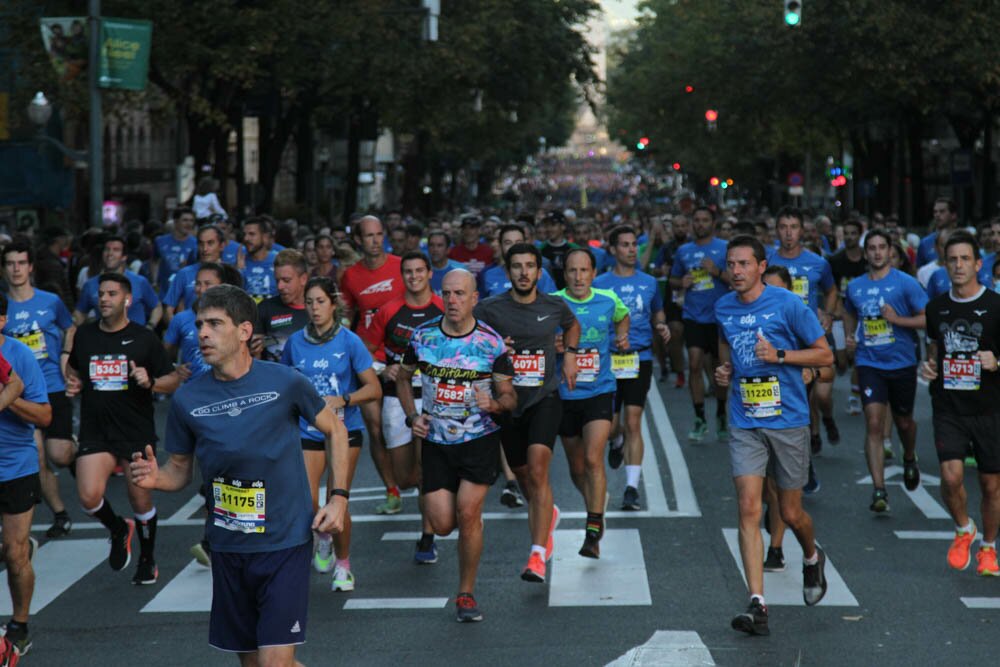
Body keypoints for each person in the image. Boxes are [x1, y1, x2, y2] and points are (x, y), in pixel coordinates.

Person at [129, 284, 350, 664]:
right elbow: (179, 471)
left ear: (245, 331)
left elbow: (336, 430)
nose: (202, 333)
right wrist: (155, 478)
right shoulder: (188, 399)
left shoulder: (285, 382)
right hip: (229, 547)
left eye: (215, 323)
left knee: (273, 661)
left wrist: (338, 498)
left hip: (285, 541)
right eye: (199, 324)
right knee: (252, 663)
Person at [715, 235, 831, 636]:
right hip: (745, 418)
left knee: (789, 513)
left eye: (744, 264)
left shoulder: (788, 304)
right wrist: (725, 370)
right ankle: (757, 603)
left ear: (762, 267)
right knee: (748, 508)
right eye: (731, 264)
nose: (736, 271)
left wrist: (780, 356)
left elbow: (825, 354)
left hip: (788, 419)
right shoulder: (723, 307)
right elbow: (727, 350)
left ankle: (813, 557)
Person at [396, 269, 516, 622]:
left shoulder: (491, 343)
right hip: (435, 441)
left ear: (474, 298)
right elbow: (402, 378)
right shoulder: (422, 337)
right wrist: (410, 416)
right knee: (444, 523)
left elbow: (509, 395)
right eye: (447, 294)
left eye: (460, 294)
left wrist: (495, 404)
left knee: (467, 513)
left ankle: (465, 593)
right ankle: (458, 545)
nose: (452, 301)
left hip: (478, 438)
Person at [65, 273, 185, 584]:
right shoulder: (86, 335)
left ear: (127, 300)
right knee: (88, 497)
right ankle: (118, 528)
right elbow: (74, 367)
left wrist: (151, 381)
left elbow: (172, 380)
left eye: (111, 294)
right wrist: (73, 381)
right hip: (96, 430)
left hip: (135, 431)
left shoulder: (144, 339)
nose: (104, 299)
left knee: (141, 501)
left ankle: (147, 558)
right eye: (100, 293)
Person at [475, 243, 579, 581]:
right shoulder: (490, 309)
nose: (523, 272)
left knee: (537, 471)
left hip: (543, 398)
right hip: (507, 404)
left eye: (530, 266)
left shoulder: (553, 305)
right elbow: (470, 340)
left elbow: (571, 324)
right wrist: (494, 347)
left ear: (539, 271)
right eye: (517, 266)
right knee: (523, 476)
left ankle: (537, 555)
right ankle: (549, 511)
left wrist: (571, 354)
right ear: (507, 272)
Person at [281, 276, 381, 591]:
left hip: (343, 429)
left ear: (333, 304)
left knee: (337, 499)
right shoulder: (295, 342)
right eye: (309, 302)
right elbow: (285, 383)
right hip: (308, 429)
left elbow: (374, 388)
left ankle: (344, 565)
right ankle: (322, 535)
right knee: (308, 499)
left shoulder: (349, 341)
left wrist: (345, 399)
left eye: (320, 301)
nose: (314, 308)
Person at [921, 230, 1000, 576]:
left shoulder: (997, 306)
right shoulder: (936, 308)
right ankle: (963, 528)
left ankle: (988, 546)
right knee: (951, 478)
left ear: (978, 264)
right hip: (949, 405)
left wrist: (997, 362)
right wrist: (929, 367)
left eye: (965, 259)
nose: (958, 265)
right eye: (952, 259)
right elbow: (934, 351)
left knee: (991, 485)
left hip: (990, 407)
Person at [367, 252, 445, 563]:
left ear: (429, 274)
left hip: (433, 395)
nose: (413, 277)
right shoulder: (389, 310)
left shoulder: (443, 307)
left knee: (428, 467)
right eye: (408, 272)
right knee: (405, 477)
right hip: (395, 397)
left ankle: (427, 537)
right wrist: (380, 368)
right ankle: (423, 494)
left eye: (419, 271)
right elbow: (366, 348)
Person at [843, 230, 927, 513]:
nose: (877, 253)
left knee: (904, 422)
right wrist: (849, 337)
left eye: (882, 247)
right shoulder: (855, 286)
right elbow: (849, 312)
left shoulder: (906, 283)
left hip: (902, 362)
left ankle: (910, 456)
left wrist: (897, 319)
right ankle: (879, 490)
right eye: (872, 248)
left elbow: (928, 319)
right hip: (869, 363)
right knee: (875, 423)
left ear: (891, 251)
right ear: (865, 253)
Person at [554, 248, 629, 558]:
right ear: (565, 275)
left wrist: (621, 338)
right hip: (564, 394)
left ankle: (593, 528)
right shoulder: (554, 301)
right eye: (572, 271)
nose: (578, 277)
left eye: (584, 270)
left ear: (593, 273)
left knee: (594, 458)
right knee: (576, 465)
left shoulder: (608, 298)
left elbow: (622, 317)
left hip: (599, 389)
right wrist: (553, 344)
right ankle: (596, 501)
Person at [759, 265, 835, 571]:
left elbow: (829, 367)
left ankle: (776, 548)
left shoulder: (800, 319)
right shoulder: (753, 319)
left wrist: (812, 370)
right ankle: (772, 514)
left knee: (779, 490)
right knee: (766, 489)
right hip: (757, 414)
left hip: (790, 417)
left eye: (777, 289)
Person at [2, 240, 76, 538]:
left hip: (52, 386)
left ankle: (72, 446)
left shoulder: (49, 301)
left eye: (22, 263)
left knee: (59, 455)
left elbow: (70, 326)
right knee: (38, 454)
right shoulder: (2, 306)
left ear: (31, 267)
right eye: (10, 263)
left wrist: (66, 358)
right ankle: (60, 513)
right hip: (18, 392)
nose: (16, 269)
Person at [596, 226, 671, 510]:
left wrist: (661, 325)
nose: (630, 250)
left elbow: (657, 311)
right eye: (624, 245)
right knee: (613, 426)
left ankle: (631, 488)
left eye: (633, 245)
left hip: (640, 358)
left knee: (633, 422)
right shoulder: (600, 284)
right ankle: (615, 444)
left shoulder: (649, 282)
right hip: (611, 360)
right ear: (613, 250)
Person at [339, 215, 405, 515]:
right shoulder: (350, 276)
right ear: (358, 240)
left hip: (403, 357)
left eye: (379, 234)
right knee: (376, 428)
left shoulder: (400, 267)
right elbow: (345, 318)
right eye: (369, 236)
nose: (375, 240)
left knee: (407, 424)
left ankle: (413, 476)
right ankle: (391, 489)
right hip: (369, 359)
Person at [766, 207, 839, 462]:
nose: (788, 233)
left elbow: (831, 291)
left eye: (793, 227)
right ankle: (807, 446)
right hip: (781, 339)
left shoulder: (818, 263)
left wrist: (828, 315)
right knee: (798, 396)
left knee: (820, 394)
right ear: (777, 230)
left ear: (802, 230)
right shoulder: (767, 260)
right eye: (783, 227)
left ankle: (825, 419)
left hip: (811, 336)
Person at [668, 206, 731, 441]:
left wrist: (715, 271)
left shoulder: (724, 248)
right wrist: (680, 281)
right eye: (696, 220)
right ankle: (699, 417)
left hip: (719, 317)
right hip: (693, 315)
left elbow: (735, 280)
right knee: (694, 363)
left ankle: (722, 413)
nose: (700, 224)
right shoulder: (684, 251)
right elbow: (673, 279)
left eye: (705, 220)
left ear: (713, 223)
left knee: (719, 368)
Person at [0, 318, 42, 661]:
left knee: (15, 555)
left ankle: (19, 624)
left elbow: (44, 416)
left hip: (16, 467)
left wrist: (5, 400)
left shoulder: (19, 354)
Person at [164, 263, 244, 385]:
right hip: (193, 392)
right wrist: (174, 367)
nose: (201, 289)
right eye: (197, 283)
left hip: (227, 389)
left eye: (208, 284)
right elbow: (161, 355)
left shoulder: (235, 317)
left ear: (222, 286)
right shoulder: (181, 318)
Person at [74, 235, 161, 328]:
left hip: (136, 338)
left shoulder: (140, 282)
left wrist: (150, 326)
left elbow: (156, 306)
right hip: (105, 338)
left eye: (116, 250)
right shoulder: (90, 285)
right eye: (107, 249)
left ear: (124, 257)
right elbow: (80, 312)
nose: (110, 253)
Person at [827, 219, 867, 412]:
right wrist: (833, 312)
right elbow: (831, 290)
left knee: (858, 357)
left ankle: (854, 395)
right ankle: (843, 368)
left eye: (854, 233)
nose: (850, 237)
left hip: (862, 316)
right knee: (842, 361)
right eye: (847, 233)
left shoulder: (867, 261)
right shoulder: (835, 260)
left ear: (860, 235)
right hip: (840, 314)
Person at [252, 249, 310, 361]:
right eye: (277, 280)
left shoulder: (317, 310)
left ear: (303, 279)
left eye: (286, 280)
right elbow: (254, 356)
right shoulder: (264, 308)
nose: (280, 286)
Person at [162, 225, 225, 323]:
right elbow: (168, 309)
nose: (204, 249)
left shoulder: (230, 273)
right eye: (201, 244)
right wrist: (180, 330)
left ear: (221, 246)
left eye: (210, 243)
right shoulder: (184, 274)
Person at [480, 224, 557, 297]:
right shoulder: (489, 275)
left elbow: (552, 304)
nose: (513, 246)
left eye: (518, 242)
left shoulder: (540, 274)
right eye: (508, 243)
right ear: (501, 246)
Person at [153, 208, 198, 296]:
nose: (189, 224)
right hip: (165, 293)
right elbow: (154, 261)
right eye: (185, 220)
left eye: (191, 221)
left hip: (187, 293)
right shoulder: (160, 241)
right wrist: (154, 281)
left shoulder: (197, 244)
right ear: (176, 222)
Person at [239, 217, 280, 303]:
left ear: (265, 237)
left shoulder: (278, 260)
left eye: (252, 234)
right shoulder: (240, 260)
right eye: (244, 234)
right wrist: (239, 270)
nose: (246, 238)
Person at [540, 212, 578, 290]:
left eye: (553, 225)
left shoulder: (574, 248)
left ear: (563, 226)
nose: (549, 229)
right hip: (547, 294)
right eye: (547, 225)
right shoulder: (540, 249)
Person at [917, 197, 959, 267]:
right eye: (935, 212)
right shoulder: (925, 243)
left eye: (942, 211)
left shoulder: (964, 239)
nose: (937, 215)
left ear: (953, 215)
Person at [427, 231, 463, 295]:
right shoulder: (421, 270)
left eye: (439, 245)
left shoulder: (460, 270)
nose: (435, 249)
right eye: (431, 245)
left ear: (448, 249)